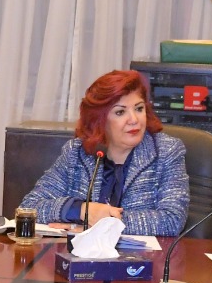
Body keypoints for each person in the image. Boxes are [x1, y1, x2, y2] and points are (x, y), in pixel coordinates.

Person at [19, 70, 190, 236]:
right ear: (100, 120)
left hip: (143, 255)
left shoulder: (166, 151)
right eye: (120, 112)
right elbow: (29, 207)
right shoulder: (77, 152)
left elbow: (172, 220)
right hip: (81, 254)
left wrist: (102, 223)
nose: (134, 120)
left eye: (139, 108)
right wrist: (83, 210)